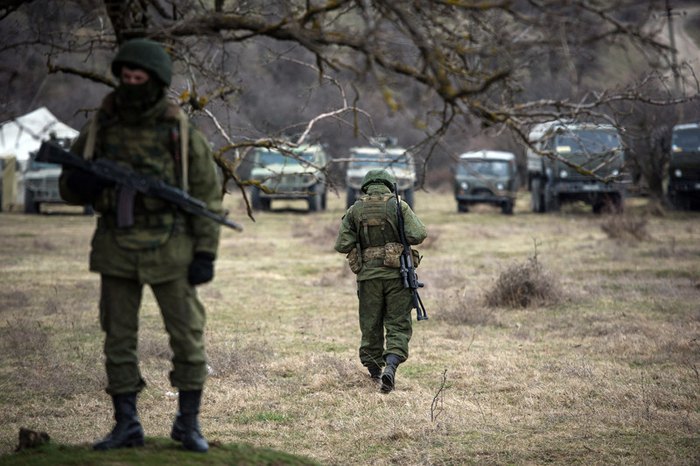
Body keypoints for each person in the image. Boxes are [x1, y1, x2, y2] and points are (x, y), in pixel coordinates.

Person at [59, 38, 222, 453]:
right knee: (118, 338)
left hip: (172, 247)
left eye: (140, 77)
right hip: (116, 244)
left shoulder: (177, 128)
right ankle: (126, 424)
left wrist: (205, 252)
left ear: (155, 80)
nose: (132, 84)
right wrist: (85, 183)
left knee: (187, 336)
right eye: (126, 76)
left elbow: (206, 194)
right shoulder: (102, 124)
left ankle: (188, 424)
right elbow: (69, 186)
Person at [334, 169, 427, 393]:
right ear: (389, 185)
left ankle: (375, 373)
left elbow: (342, 244)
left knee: (371, 325)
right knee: (397, 324)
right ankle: (391, 368)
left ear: (365, 186)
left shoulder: (356, 209)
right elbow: (418, 234)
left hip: (368, 278)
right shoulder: (399, 205)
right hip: (397, 276)